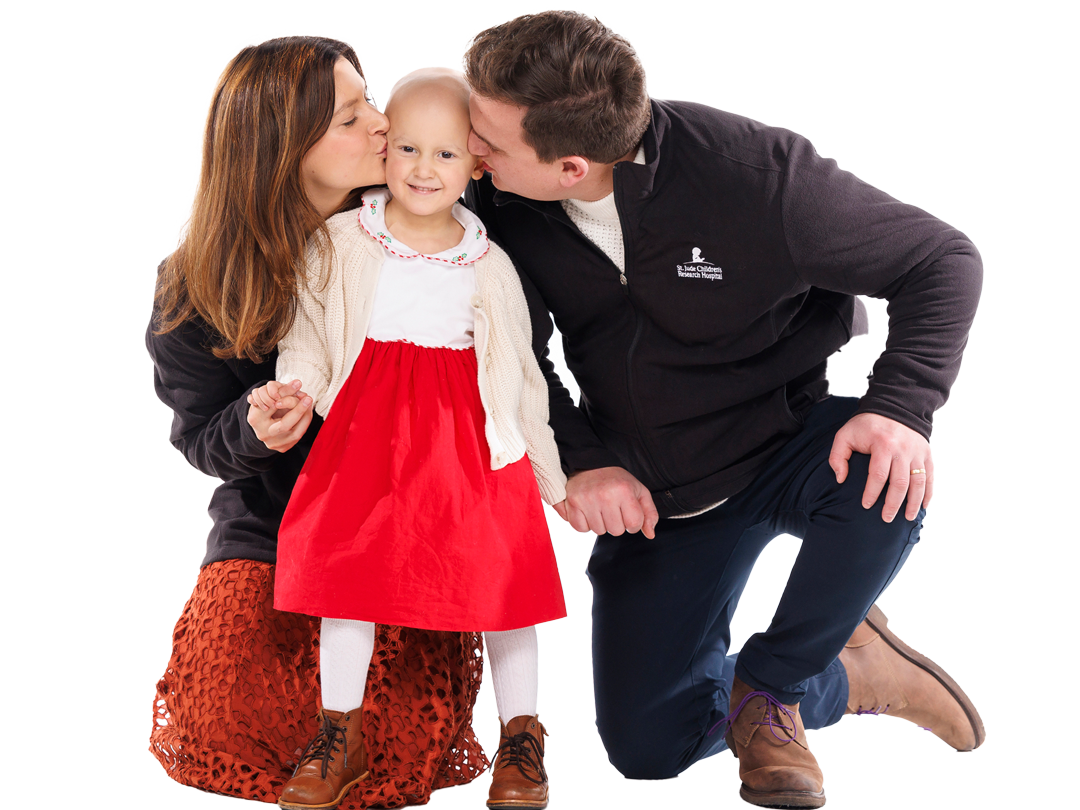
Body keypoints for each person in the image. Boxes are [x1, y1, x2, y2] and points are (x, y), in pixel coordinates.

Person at [463, 10, 985, 809]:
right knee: (649, 746)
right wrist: (583, 459)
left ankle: (775, 684)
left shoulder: (758, 177)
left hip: (803, 431)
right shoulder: (497, 202)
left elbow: (941, 258)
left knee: (885, 470)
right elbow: (515, 355)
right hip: (667, 480)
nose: (470, 149)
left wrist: (902, 407)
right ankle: (851, 675)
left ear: (570, 166)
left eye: (487, 139)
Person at [147, 37, 489, 809]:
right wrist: (252, 427)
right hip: (274, 532)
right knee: (228, 718)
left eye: (369, 100)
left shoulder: (431, 223)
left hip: (397, 531)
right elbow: (201, 438)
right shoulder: (197, 286)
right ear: (283, 149)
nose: (381, 123)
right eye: (349, 116)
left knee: (398, 738)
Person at [245, 68, 567, 810]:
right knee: (347, 578)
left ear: (477, 164)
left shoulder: (489, 264)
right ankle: (340, 734)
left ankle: (521, 739)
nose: (424, 169)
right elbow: (307, 336)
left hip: (470, 442)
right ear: (385, 149)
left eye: (446, 154)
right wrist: (296, 390)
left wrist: (551, 476)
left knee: (505, 588)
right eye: (409, 148)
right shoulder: (341, 242)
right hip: (366, 434)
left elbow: (521, 375)